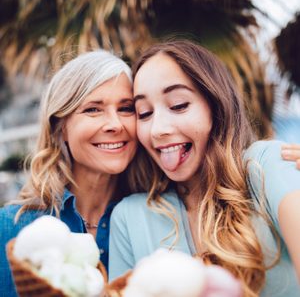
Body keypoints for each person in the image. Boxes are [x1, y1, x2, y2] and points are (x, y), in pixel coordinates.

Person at [109, 40, 300, 297]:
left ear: (215, 106)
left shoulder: (266, 165)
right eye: (144, 113)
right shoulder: (129, 218)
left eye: (178, 105)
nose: (158, 129)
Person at [0, 49, 139, 296]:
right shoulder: (10, 228)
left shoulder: (158, 218)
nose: (115, 124)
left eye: (126, 108)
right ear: (60, 127)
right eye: (93, 109)